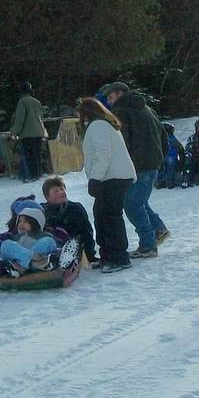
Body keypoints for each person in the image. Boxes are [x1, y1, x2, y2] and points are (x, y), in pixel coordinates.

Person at [106, 82, 170, 258]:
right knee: (139, 201)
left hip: (137, 165)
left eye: (110, 98)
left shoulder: (120, 112)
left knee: (131, 204)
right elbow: (164, 135)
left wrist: (117, 165)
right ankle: (158, 229)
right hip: (152, 163)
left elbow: (121, 143)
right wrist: (159, 158)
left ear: (119, 94)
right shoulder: (147, 109)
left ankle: (148, 245)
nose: (109, 102)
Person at [78, 97, 135, 272]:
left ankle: (119, 258)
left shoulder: (98, 126)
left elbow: (103, 153)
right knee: (101, 214)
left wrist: (95, 178)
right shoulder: (104, 124)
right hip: (112, 177)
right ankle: (107, 255)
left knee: (110, 216)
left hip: (113, 178)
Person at [40, 175, 98, 264]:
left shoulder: (75, 209)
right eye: (56, 191)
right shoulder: (43, 210)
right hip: (49, 245)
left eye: (62, 189)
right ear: (47, 197)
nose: (61, 192)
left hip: (71, 247)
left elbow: (87, 232)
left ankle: (59, 258)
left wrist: (90, 255)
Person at [11, 82, 47, 182]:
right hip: (39, 132)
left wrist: (14, 133)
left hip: (28, 133)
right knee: (37, 155)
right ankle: (38, 174)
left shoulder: (22, 102)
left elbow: (20, 120)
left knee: (29, 156)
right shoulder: (37, 102)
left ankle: (31, 176)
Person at [156, 123, 185, 189]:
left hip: (172, 158)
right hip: (162, 157)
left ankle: (170, 181)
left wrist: (181, 163)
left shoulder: (173, 141)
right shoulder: (159, 140)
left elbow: (181, 151)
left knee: (170, 164)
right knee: (161, 167)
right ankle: (160, 180)